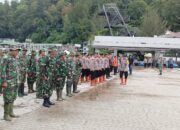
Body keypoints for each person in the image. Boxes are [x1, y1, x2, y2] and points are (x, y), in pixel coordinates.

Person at [1, 45, 20, 121]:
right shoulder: (6, 58)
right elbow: (2, 71)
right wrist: (4, 81)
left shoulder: (14, 58)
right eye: (15, 50)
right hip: (8, 82)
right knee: (7, 98)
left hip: (14, 81)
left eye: (17, 51)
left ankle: (11, 112)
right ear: (11, 51)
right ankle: (6, 115)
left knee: (13, 97)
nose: (17, 52)